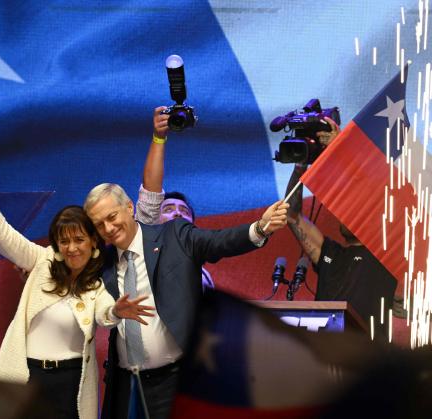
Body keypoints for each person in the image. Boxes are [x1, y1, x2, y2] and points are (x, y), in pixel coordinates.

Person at [0, 158, 155, 419]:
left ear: (93, 241)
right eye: (64, 241)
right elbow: (1, 233)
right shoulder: (40, 260)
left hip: (71, 383)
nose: (72, 248)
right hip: (27, 377)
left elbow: (104, 312)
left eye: (79, 239)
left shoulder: (95, 283)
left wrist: (116, 311)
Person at [84, 183, 288, 419]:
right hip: (126, 384)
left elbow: (219, 241)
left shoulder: (175, 236)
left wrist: (260, 228)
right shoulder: (102, 263)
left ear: (129, 207)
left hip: (175, 380)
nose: (108, 228)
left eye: (112, 217)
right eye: (99, 224)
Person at [284, 117, 397, 336]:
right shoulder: (330, 254)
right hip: (326, 358)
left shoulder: (385, 254)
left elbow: (377, 187)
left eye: (355, 206)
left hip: (369, 359)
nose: (345, 214)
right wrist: (300, 166)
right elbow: (291, 214)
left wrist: (343, 148)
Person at [143, 106, 215, 291]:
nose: (177, 214)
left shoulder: (204, 277)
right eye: (168, 210)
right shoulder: (142, 256)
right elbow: (151, 193)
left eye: (183, 211)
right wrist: (159, 138)